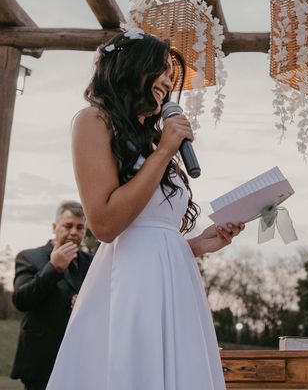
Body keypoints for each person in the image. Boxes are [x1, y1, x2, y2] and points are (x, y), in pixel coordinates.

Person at [46, 28, 243, 390]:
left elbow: (153, 228)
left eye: (171, 73)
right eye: (161, 68)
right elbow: (105, 225)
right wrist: (166, 149)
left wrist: (197, 244)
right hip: (130, 282)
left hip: (176, 281)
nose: (169, 80)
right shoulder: (94, 121)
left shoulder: (151, 138)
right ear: (130, 67)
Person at [10, 200, 93, 390]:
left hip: (80, 358)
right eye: (68, 225)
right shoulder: (29, 257)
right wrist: (53, 268)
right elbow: (21, 300)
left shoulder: (92, 262)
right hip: (41, 360)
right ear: (54, 227)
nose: (74, 232)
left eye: (80, 227)